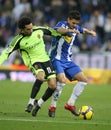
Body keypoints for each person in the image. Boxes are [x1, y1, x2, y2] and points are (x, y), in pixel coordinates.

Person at [0, 16, 61, 117]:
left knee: (53, 86)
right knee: (40, 77)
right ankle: (30, 102)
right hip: (34, 61)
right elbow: (6, 53)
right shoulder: (18, 40)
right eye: (28, 29)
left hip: (46, 60)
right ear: (22, 29)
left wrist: (70, 32)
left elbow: (54, 31)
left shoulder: (39, 30)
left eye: (31, 27)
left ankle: (39, 103)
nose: (31, 30)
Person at [48, 10, 96, 117]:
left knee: (83, 80)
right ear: (68, 19)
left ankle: (70, 104)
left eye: (76, 24)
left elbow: (82, 30)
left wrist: (90, 32)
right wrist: (69, 30)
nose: (75, 25)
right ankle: (52, 106)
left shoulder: (76, 28)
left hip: (68, 61)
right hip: (56, 59)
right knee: (61, 80)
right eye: (73, 23)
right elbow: (58, 30)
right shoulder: (62, 24)